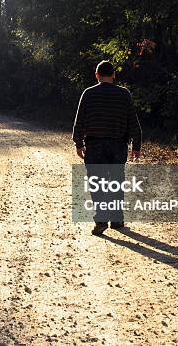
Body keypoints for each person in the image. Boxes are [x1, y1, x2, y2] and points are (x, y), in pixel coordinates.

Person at [72, 60, 142, 235]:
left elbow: (79, 121)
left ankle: (101, 219)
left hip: (94, 144)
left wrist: (78, 143)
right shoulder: (124, 94)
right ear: (114, 75)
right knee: (116, 182)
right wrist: (136, 146)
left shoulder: (88, 94)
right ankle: (117, 219)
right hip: (118, 145)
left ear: (97, 75)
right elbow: (133, 122)